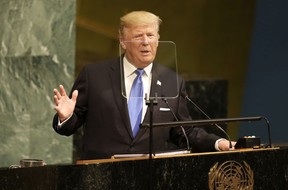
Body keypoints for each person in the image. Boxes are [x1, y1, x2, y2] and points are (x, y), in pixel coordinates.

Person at [52, 11, 235, 160]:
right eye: (138, 36)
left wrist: (218, 143)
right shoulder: (94, 75)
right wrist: (66, 117)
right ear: (123, 41)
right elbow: (70, 126)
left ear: (158, 39)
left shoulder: (172, 82)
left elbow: (184, 132)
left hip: (149, 181)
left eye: (151, 35)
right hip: (100, 181)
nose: (146, 42)